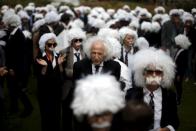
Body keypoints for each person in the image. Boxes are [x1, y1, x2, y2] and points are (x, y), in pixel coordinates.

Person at [126, 48, 179, 131]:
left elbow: (174, 121)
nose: (154, 75)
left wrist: (167, 129)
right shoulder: (131, 94)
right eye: (150, 72)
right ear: (143, 74)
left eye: (158, 72)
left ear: (163, 75)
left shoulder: (170, 95)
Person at [3, 13, 33, 117]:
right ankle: (14, 109)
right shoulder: (13, 34)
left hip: (16, 68)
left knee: (18, 90)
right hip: (12, 67)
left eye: (7, 24)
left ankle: (28, 107)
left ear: (11, 24)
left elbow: (19, 56)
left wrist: (12, 68)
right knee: (12, 89)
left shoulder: (18, 36)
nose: (6, 26)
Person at [35, 33, 65, 131]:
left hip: (56, 92)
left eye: (54, 44)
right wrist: (45, 67)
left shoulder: (58, 56)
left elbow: (61, 76)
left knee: (57, 116)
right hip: (45, 93)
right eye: (49, 44)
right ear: (44, 45)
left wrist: (60, 65)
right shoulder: (39, 58)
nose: (52, 46)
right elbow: (39, 79)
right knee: (46, 116)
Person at [60, 27, 86, 131]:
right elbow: (62, 70)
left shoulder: (86, 52)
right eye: (76, 40)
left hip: (82, 86)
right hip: (69, 86)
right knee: (67, 112)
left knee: (80, 112)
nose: (78, 43)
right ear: (71, 41)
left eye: (80, 40)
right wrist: (74, 73)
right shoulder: (64, 52)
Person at [174, 34, 191, 105]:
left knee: (178, 85)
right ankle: (177, 96)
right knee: (176, 85)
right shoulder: (179, 50)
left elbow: (182, 65)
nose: (176, 44)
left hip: (179, 72)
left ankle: (178, 99)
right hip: (177, 71)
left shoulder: (184, 52)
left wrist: (179, 74)